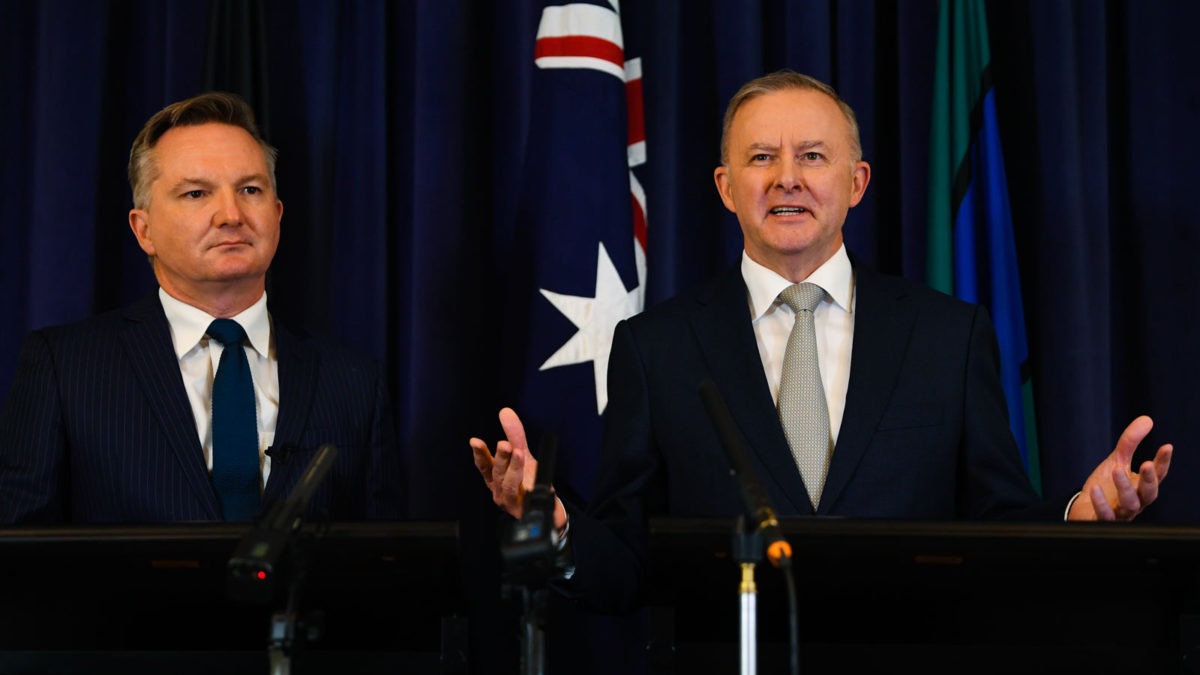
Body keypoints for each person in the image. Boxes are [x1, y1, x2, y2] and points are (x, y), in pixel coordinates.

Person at [470, 70, 1173, 613]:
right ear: (724, 185)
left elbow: (1000, 528)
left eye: (812, 155)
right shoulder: (656, 347)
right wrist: (553, 522)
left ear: (857, 181)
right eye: (760, 157)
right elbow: (625, 561)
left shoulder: (947, 336)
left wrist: (1083, 514)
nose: (787, 179)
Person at [0, 92, 404, 524]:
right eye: (196, 193)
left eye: (250, 190)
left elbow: (383, 565)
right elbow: (22, 561)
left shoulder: (354, 382)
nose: (231, 215)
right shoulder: (65, 368)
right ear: (144, 229)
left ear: (278, 214)